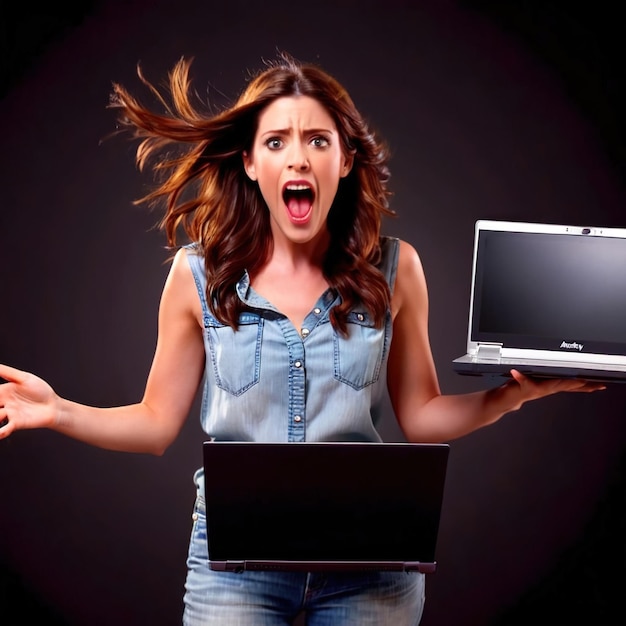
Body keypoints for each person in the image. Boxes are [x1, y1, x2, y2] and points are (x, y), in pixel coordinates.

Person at [0, 52, 605, 626]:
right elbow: (156, 423)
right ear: (249, 162)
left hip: (372, 562)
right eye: (276, 142)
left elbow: (420, 417)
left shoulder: (396, 269)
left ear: (344, 161)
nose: (298, 159)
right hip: (235, 566)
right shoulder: (196, 277)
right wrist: (58, 413)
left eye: (318, 140)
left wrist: (515, 395)